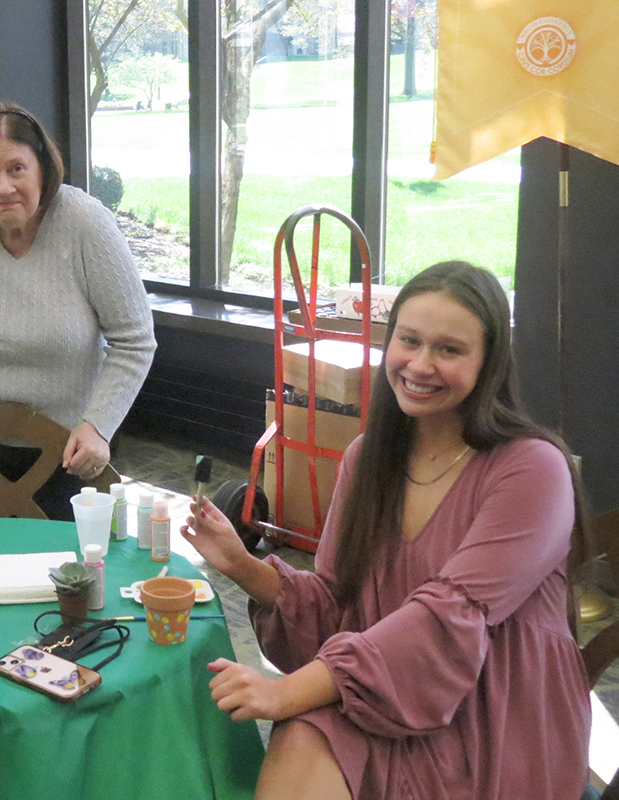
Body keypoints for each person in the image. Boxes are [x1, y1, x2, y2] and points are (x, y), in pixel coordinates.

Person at [182, 261, 592, 799]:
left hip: (501, 713)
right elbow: (339, 608)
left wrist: (284, 693)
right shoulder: (366, 459)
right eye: (409, 341)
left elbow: (447, 620)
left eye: (449, 349)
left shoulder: (532, 468)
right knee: (306, 733)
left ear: (488, 362)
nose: (421, 364)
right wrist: (240, 564)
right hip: (385, 689)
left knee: (301, 719)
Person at [0, 101, 156, 521]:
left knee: (69, 573)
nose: (4, 187)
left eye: (17, 168)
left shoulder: (86, 223)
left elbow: (134, 341)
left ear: (42, 169)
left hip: (73, 446)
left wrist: (99, 426)